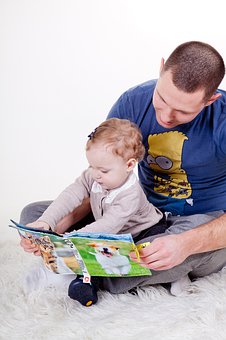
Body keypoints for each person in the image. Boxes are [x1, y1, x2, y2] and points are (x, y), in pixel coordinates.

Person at [20, 41, 226, 299]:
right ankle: (135, 269)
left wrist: (186, 244)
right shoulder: (133, 102)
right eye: (161, 99)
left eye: (183, 111)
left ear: (210, 99)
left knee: (188, 248)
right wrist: (53, 230)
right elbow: (101, 180)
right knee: (34, 213)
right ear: (161, 69)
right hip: (136, 214)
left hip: (200, 223)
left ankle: (85, 274)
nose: (166, 116)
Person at [21, 117, 164, 306]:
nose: (96, 174)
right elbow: (70, 195)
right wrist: (46, 221)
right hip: (107, 232)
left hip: (143, 231)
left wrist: (70, 238)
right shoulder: (94, 176)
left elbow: (108, 225)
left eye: (103, 170)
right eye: (92, 166)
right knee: (32, 213)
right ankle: (76, 277)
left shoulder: (131, 195)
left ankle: (86, 280)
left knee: (141, 256)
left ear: (129, 165)